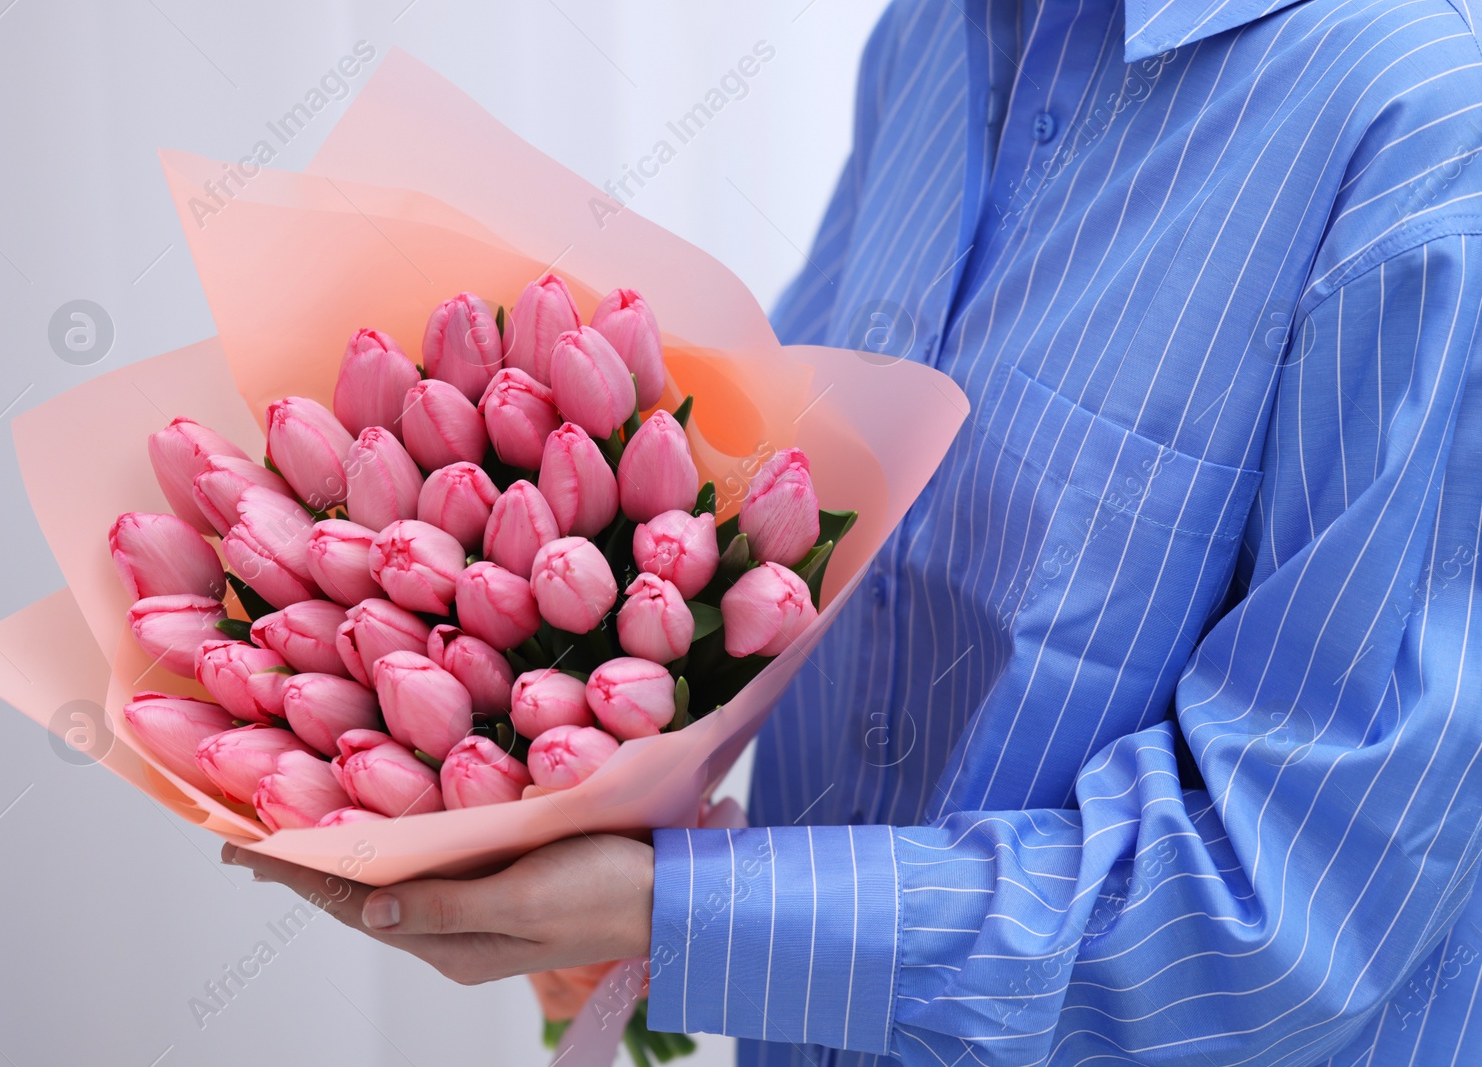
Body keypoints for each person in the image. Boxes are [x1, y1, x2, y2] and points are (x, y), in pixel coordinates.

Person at [228, 0, 1482, 1061]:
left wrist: (695, 916)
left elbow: (1299, 905)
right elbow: (780, 514)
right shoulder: (935, 35)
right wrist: (563, 805)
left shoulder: (1426, 140)